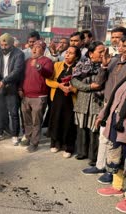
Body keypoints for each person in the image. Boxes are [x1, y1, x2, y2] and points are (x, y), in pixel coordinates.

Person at [83, 36, 126, 185]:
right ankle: (100, 166)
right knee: (103, 137)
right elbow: (99, 83)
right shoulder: (113, 61)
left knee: (114, 142)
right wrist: (104, 67)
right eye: (121, 46)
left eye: (124, 46)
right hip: (108, 105)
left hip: (121, 108)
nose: (122, 49)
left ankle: (110, 171)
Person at [71, 41, 107, 166]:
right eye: (100, 51)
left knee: (94, 130)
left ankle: (94, 156)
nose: (103, 54)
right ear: (91, 54)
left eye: (104, 51)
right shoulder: (81, 64)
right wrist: (89, 87)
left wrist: (94, 85)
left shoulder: (106, 66)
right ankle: (82, 152)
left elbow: (101, 83)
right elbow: (74, 81)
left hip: (97, 103)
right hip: (82, 101)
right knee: (81, 128)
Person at [94, 75, 126, 213]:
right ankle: (117, 187)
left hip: (124, 126)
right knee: (116, 156)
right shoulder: (124, 80)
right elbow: (113, 101)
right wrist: (102, 115)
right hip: (116, 124)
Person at [46, 46, 81, 158]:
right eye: (67, 52)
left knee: (69, 123)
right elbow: (48, 80)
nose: (67, 55)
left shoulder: (79, 68)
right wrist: (59, 85)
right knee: (55, 120)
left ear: (76, 57)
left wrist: (72, 89)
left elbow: (81, 85)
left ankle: (68, 147)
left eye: (71, 53)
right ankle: (56, 143)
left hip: (70, 100)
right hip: (57, 98)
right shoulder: (57, 65)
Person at [18, 40, 54, 152]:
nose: (34, 49)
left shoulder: (47, 61)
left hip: (39, 97)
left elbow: (49, 74)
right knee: (26, 120)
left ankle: (34, 142)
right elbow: (21, 76)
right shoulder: (27, 61)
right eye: (33, 46)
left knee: (36, 121)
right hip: (26, 96)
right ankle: (28, 137)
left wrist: (38, 66)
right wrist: (20, 88)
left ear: (43, 50)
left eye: (37, 47)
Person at [0, 33, 25, 145]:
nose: (3, 47)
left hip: (11, 86)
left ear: (11, 44)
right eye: (2, 44)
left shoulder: (19, 54)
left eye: (6, 45)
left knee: (14, 112)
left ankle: (15, 135)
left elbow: (17, 70)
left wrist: (4, 81)